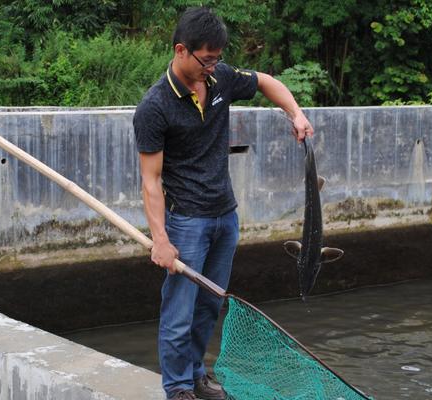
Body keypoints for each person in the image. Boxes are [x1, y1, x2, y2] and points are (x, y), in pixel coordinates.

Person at [133, 7, 313, 400]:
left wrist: (295, 113)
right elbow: (150, 181)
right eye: (206, 59)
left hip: (224, 217)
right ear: (181, 50)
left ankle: (197, 375)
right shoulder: (155, 107)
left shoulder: (219, 79)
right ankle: (178, 387)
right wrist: (160, 238)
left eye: (217, 58)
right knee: (179, 311)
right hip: (187, 222)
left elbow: (266, 81)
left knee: (209, 307)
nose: (213, 66)